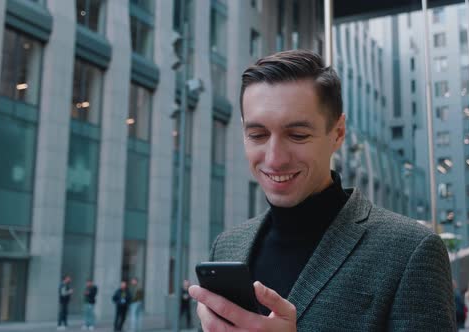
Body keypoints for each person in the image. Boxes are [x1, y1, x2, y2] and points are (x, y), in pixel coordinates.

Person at [188, 50, 455, 331]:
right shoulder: (227, 246)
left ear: (338, 133)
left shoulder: (411, 250)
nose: (274, 158)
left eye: (298, 135)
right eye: (258, 135)